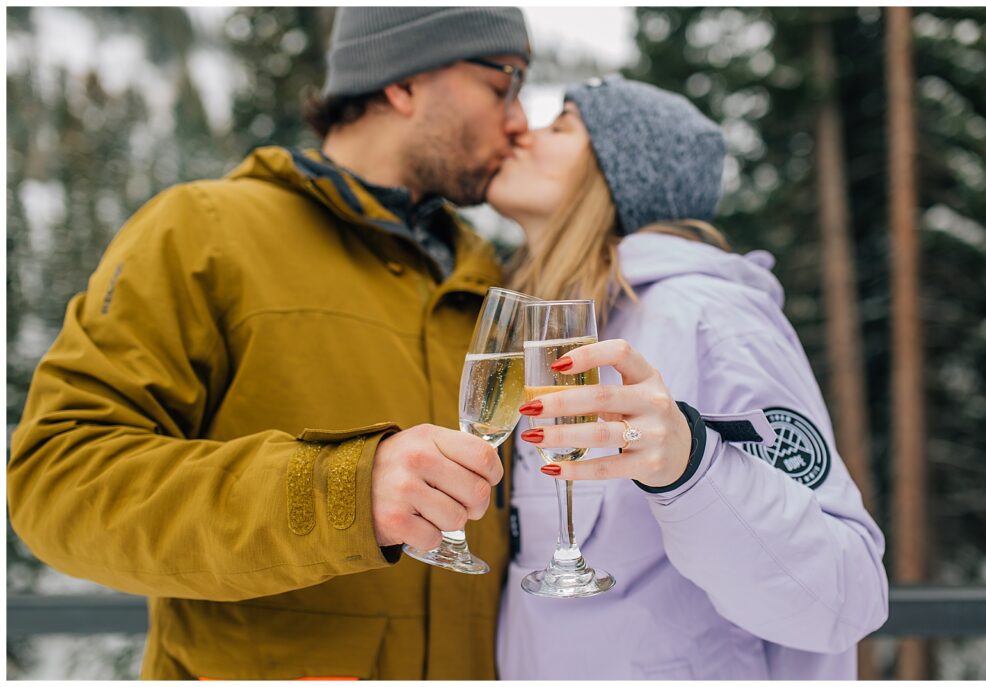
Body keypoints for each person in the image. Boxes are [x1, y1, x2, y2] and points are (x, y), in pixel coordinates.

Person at [8, 8, 532, 680]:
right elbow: (58, 483)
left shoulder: (491, 282)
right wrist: (343, 493)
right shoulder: (202, 232)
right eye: (504, 84)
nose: (519, 120)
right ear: (404, 83)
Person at [485, 76, 889, 679]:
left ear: (622, 171)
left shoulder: (711, 316)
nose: (521, 131)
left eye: (560, 125)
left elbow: (845, 597)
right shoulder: (560, 324)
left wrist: (690, 465)